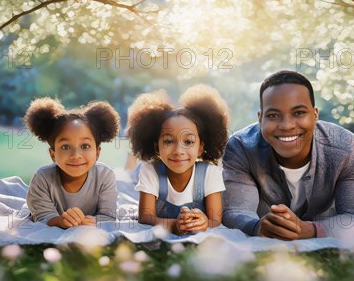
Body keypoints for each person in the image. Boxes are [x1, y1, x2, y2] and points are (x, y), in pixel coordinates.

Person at [222, 70, 354, 239]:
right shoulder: (240, 147)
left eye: (298, 113)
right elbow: (235, 210)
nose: (286, 125)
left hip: (324, 219)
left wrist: (311, 229)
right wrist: (257, 226)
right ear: (260, 119)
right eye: (273, 115)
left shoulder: (347, 148)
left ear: (315, 115)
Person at [127, 85, 229, 235]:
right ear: (157, 147)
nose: (178, 151)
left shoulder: (210, 173)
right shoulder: (150, 170)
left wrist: (204, 223)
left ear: (200, 147)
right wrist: (175, 225)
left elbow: (215, 221)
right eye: (168, 141)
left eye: (188, 142)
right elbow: (145, 217)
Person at [24, 97, 120, 228]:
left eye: (85, 146)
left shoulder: (105, 176)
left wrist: (95, 222)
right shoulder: (42, 178)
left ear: (97, 152)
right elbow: (42, 216)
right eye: (65, 147)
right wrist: (60, 221)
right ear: (53, 154)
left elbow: (108, 215)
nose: (76, 155)